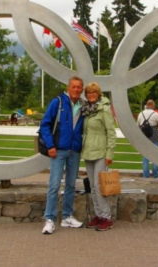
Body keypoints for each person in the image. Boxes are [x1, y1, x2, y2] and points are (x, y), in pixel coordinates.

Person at [39, 75, 85, 235]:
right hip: (58, 150)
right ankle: (49, 219)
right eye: (74, 86)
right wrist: (50, 145)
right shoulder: (57, 102)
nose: (76, 90)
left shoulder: (83, 106)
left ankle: (67, 216)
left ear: (82, 90)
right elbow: (45, 125)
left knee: (71, 185)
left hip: (74, 150)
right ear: (68, 87)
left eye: (79, 87)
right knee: (55, 185)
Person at [80, 82, 116, 231]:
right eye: (88, 93)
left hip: (101, 152)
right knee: (92, 186)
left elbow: (111, 132)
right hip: (88, 151)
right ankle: (98, 215)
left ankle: (106, 217)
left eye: (93, 92)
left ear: (98, 94)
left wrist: (110, 153)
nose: (91, 95)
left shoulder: (104, 109)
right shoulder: (87, 111)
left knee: (99, 185)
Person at [137, 99, 158, 178]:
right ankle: (155, 176)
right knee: (156, 157)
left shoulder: (141, 114)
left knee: (145, 158)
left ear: (146, 105)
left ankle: (146, 176)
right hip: (154, 138)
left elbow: (138, 125)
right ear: (153, 106)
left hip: (144, 139)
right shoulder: (155, 114)